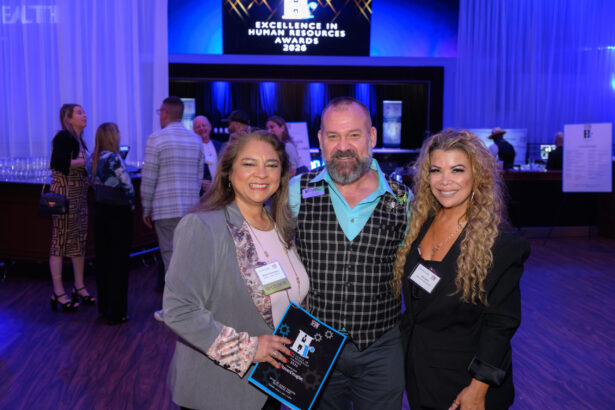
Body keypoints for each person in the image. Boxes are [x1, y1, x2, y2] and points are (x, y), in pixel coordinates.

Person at [163, 130, 309, 410]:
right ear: (229, 171)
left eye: (272, 165)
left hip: (269, 385)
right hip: (218, 391)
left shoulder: (280, 225)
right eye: (249, 163)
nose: (262, 174)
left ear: (282, 174)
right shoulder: (204, 226)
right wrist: (250, 349)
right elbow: (179, 310)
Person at [289, 96, 411, 409]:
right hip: (313, 345)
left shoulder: (402, 200)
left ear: (371, 137)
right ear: (320, 140)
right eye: (333, 136)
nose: (343, 146)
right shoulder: (295, 191)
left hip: (380, 347)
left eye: (353, 135)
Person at [394, 129, 530, 409]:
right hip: (420, 373)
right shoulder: (421, 224)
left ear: (477, 176)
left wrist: (478, 388)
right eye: (436, 170)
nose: (444, 181)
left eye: (457, 170)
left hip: (464, 383)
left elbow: (500, 324)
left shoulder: (500, 243)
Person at [141, 96, 203, 321]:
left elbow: (149, 179)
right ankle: (191, 306)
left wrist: (146, 207)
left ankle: (174, 311)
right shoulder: (195, 140)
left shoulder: (156, 139)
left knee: (170, 259)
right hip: (190, 210)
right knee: (188, 259)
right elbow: (198, 179)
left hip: (165, 209)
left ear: (165, 113)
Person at [86, 123, 135, 325]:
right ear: (113, 138)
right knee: (119, 263)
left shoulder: (92, 159)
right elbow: (127, 185)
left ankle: (104, 308)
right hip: (118, 213)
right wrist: (131, 204)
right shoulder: (115, 159)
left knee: (104, 261)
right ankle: (117, 312)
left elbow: (92, 183)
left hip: (99, 211)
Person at [49, 103, 94, 312]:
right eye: (79, 112)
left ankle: (80, 287)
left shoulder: (80, 140)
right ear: (68, 118)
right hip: (65, 196)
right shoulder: (62, 138)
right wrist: (88, 162)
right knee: (60, 241)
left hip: (80, 197)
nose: (84, 115)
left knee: (78, 241)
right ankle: (58, 292)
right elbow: (58, 163)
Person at [193, 115, 224, 192]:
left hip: (220, 192)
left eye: (204, 125)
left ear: (210, 127)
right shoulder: (193, 148)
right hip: (202, 195)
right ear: (194, 130)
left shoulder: (220, 146)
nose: (201, 128)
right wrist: (200, 183)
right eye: (198, 126)